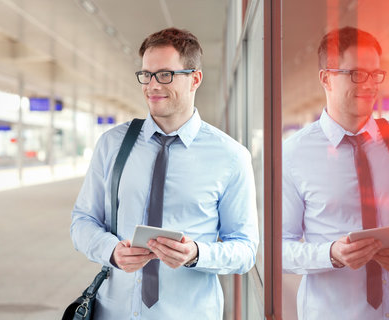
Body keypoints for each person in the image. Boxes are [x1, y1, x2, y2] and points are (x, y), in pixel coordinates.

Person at [71, 27, 259, 319]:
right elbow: (83, 221)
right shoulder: (112, 144)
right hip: (114, 312)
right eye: (146, 74)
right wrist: (111, 250)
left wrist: (197, 253)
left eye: (165, 74)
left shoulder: (231, 157)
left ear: (194, 79)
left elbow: (245, 250)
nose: (152, 85)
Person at [282, 26, 389, 319]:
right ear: (326, 78)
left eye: (375, 74)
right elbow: (278, 248)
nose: (369, 84)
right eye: (356, 73)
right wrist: (330, 254)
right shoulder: (294, 153)